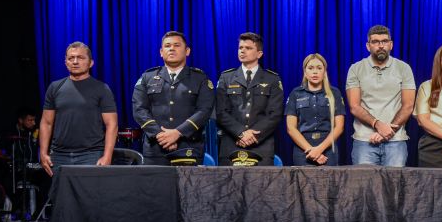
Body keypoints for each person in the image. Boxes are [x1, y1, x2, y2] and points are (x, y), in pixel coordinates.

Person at [132, 31, 215, 165]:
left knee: (189, 186)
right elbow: (139, 110)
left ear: (187, 51)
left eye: (177, 45)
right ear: (161, 51)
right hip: (155, 148)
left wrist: (178, 133)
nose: (171, 48)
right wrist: (160, 135)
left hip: (188, 146)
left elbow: (204, 110)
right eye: (167, 45)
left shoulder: (200, 78)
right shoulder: (147, 77)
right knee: (155, 186)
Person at [39, 42, 118, 176]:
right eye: (71, 58)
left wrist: (107, 156)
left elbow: (112, 124)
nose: (75, 61)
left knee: (90, 196)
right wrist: (43, 153)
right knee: (61, 196)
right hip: (59, 155)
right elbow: (46, 123)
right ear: (65, 62)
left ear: (91, 63)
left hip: (91, 155)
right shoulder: (55, 87)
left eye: (80, 58)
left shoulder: (101, 89)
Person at [346, 25, 416, 166]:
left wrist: (389, 131)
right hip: (364, 140)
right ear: (368, 46)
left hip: (396, 140)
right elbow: (354, 106)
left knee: (395, 187)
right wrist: (378, 124)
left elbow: (408, 105)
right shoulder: (356, 69)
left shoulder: (404, 68)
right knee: (363, 187)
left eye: (384, 41)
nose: (381, 45)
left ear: (391, 44)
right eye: (375, 42)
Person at [216, 32, 283, 166]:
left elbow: (275, 114)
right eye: (241, 48)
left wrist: (252, 136)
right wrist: (241, 133)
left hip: (261, 145)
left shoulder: (272, 79)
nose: (243, 51)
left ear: (259, 54)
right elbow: (220, 112)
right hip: (231, 144)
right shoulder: (226, 77)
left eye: (248, 48)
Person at [285, 54, 345, 166]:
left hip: (328, 147)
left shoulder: (334, 93)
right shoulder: (295, 93)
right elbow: (291, 128)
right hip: (303, 149)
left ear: (325, 71)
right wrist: (310, 150)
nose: (315, 72)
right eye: (311, 68)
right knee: (303, 184)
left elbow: (339, 127)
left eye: (319, 68)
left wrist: (319, 149)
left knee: (329, 183)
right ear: (305, 71)